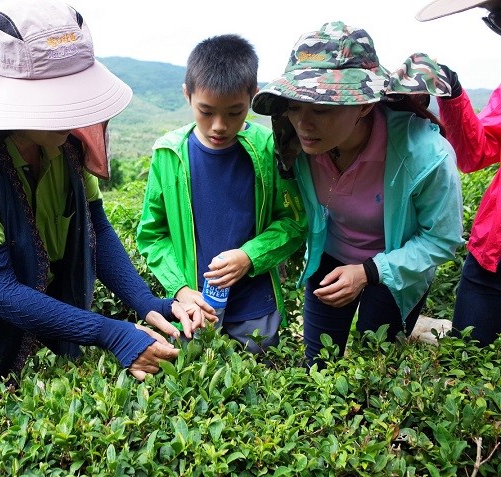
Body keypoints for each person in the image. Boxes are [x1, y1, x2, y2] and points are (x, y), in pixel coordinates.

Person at [0, 0, 205, 395]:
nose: (74, 114)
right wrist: (112, 333)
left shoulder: (64, 146)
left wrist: (147, 303)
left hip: (10, 325)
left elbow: (94, 229)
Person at [251, 21, 464, 368]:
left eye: (321, 109)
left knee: (375, 363)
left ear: (364, 105)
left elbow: (441, 239)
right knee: (317, 364)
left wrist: (369, 272)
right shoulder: (295, 145)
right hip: (330, 256)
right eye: (295, 105)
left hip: (396, 267)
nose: (303, 123)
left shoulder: (424, 155)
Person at [136, 34, 308, 355]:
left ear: (253, 97)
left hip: (256, 303)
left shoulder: (268, 149)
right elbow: (151, 235)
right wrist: (181, 288)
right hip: (195, 306)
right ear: (187, 95)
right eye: (206, 111)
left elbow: (294, 222)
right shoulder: (169, 154)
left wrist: (249, 256)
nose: (219, 125)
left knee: (260, 375)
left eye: (234, 112)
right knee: (196, 379)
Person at [416, 0, 501, 346]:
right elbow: (476, 153)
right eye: (496, 20)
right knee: (467, 356)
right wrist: (451, 92)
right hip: (490, 258)